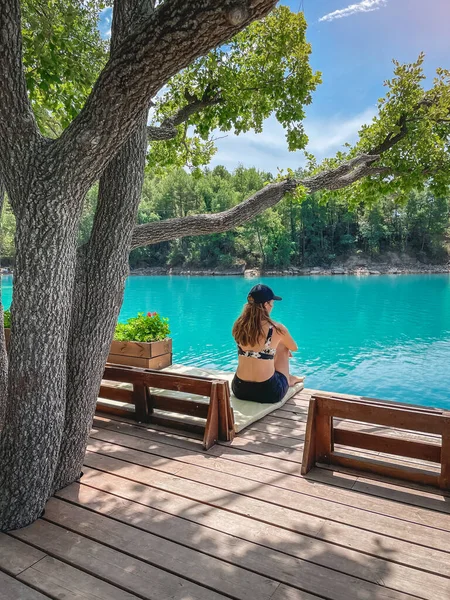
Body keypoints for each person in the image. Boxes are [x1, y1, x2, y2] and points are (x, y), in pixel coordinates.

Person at [231, 283, 304, 403]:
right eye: (272, 303)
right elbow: (294, 347)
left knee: (266, 350)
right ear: (266, 304)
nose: (272, 306)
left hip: (240, 389)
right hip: (267, 392)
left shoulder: (238, 325)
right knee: (283, 347)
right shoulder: (276, 328)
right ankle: (288, 379)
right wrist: (279, 346)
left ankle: (286, 377)